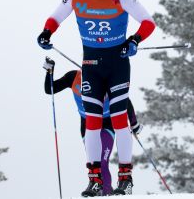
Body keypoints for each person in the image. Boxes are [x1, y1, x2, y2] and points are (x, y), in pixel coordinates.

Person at [37, 0, 155, 196]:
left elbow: (147, 22)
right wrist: (47, 32)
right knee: (91, 123)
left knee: (119, 119)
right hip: (90, 64)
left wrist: (134, 40)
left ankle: (126, 178)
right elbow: (55, 17)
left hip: (117, 64)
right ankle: (95, 180)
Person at [42, 57, 142, 196]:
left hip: (107, 122)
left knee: (102, 161)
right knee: (94, 162)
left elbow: (124, 100)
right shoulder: (73, 77)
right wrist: (49, 71)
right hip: (87, 124)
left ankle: (106, 193)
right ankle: (99, 188)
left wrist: (134, 123)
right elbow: (50, 89)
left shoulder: (105, 79)